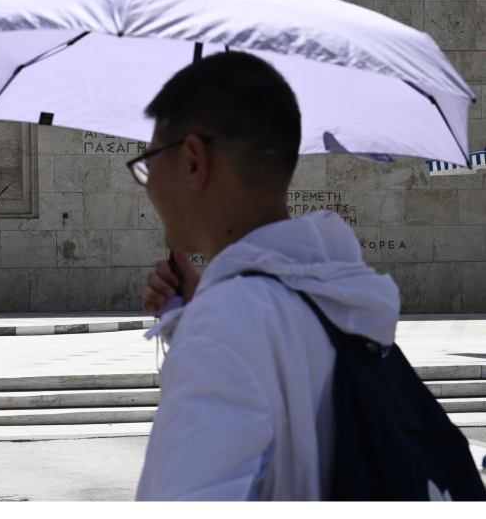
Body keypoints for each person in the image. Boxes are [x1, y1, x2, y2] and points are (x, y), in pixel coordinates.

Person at [132, 52, 400, 500]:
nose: (149, 181)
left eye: (150, 160)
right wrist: (206, 308)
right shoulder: (337, 294)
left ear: (195, 160)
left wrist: (211, 322)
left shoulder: (225, 327)